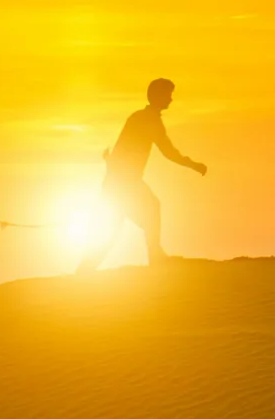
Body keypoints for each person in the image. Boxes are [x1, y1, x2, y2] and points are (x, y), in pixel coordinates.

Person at [76, 78, 207, 273]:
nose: (171, 99)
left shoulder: (140, 118)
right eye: (168, 95)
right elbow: (168, 151)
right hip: (124, 183)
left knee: (118, 225)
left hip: (120, 182)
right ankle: (155, 256)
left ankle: (84, 270)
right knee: (146, 211)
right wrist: (193, 165)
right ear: (158, 96)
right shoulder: (148, 120)